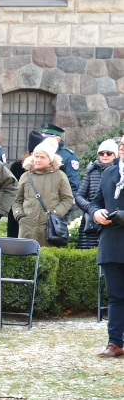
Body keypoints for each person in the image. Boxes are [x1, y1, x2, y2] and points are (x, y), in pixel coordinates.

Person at [13, 137, 76, 248]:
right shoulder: (25, 176)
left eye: (42, 157)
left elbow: (67, 199)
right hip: (27, 228)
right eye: (36, 156)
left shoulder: (60, 176)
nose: (38, 160)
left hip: (49, 229)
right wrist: (20, 216)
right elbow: (16, 200)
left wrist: (55, 214)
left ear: (50, 160)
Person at [95, 152, 124, 357]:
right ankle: (115, 342)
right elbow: (95, 201)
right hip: (111, 243)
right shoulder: (110, 172)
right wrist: (95, 212)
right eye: (122, 145)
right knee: (115, 297)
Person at [75, 140, 119, 250]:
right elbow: (79, 196)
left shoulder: (119, 172)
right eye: (101, 153)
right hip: (92, 221)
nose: (104, 156)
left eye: (108, 153)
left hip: (113, 219)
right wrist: (92, 210)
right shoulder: (91, 171)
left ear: (115, 154)